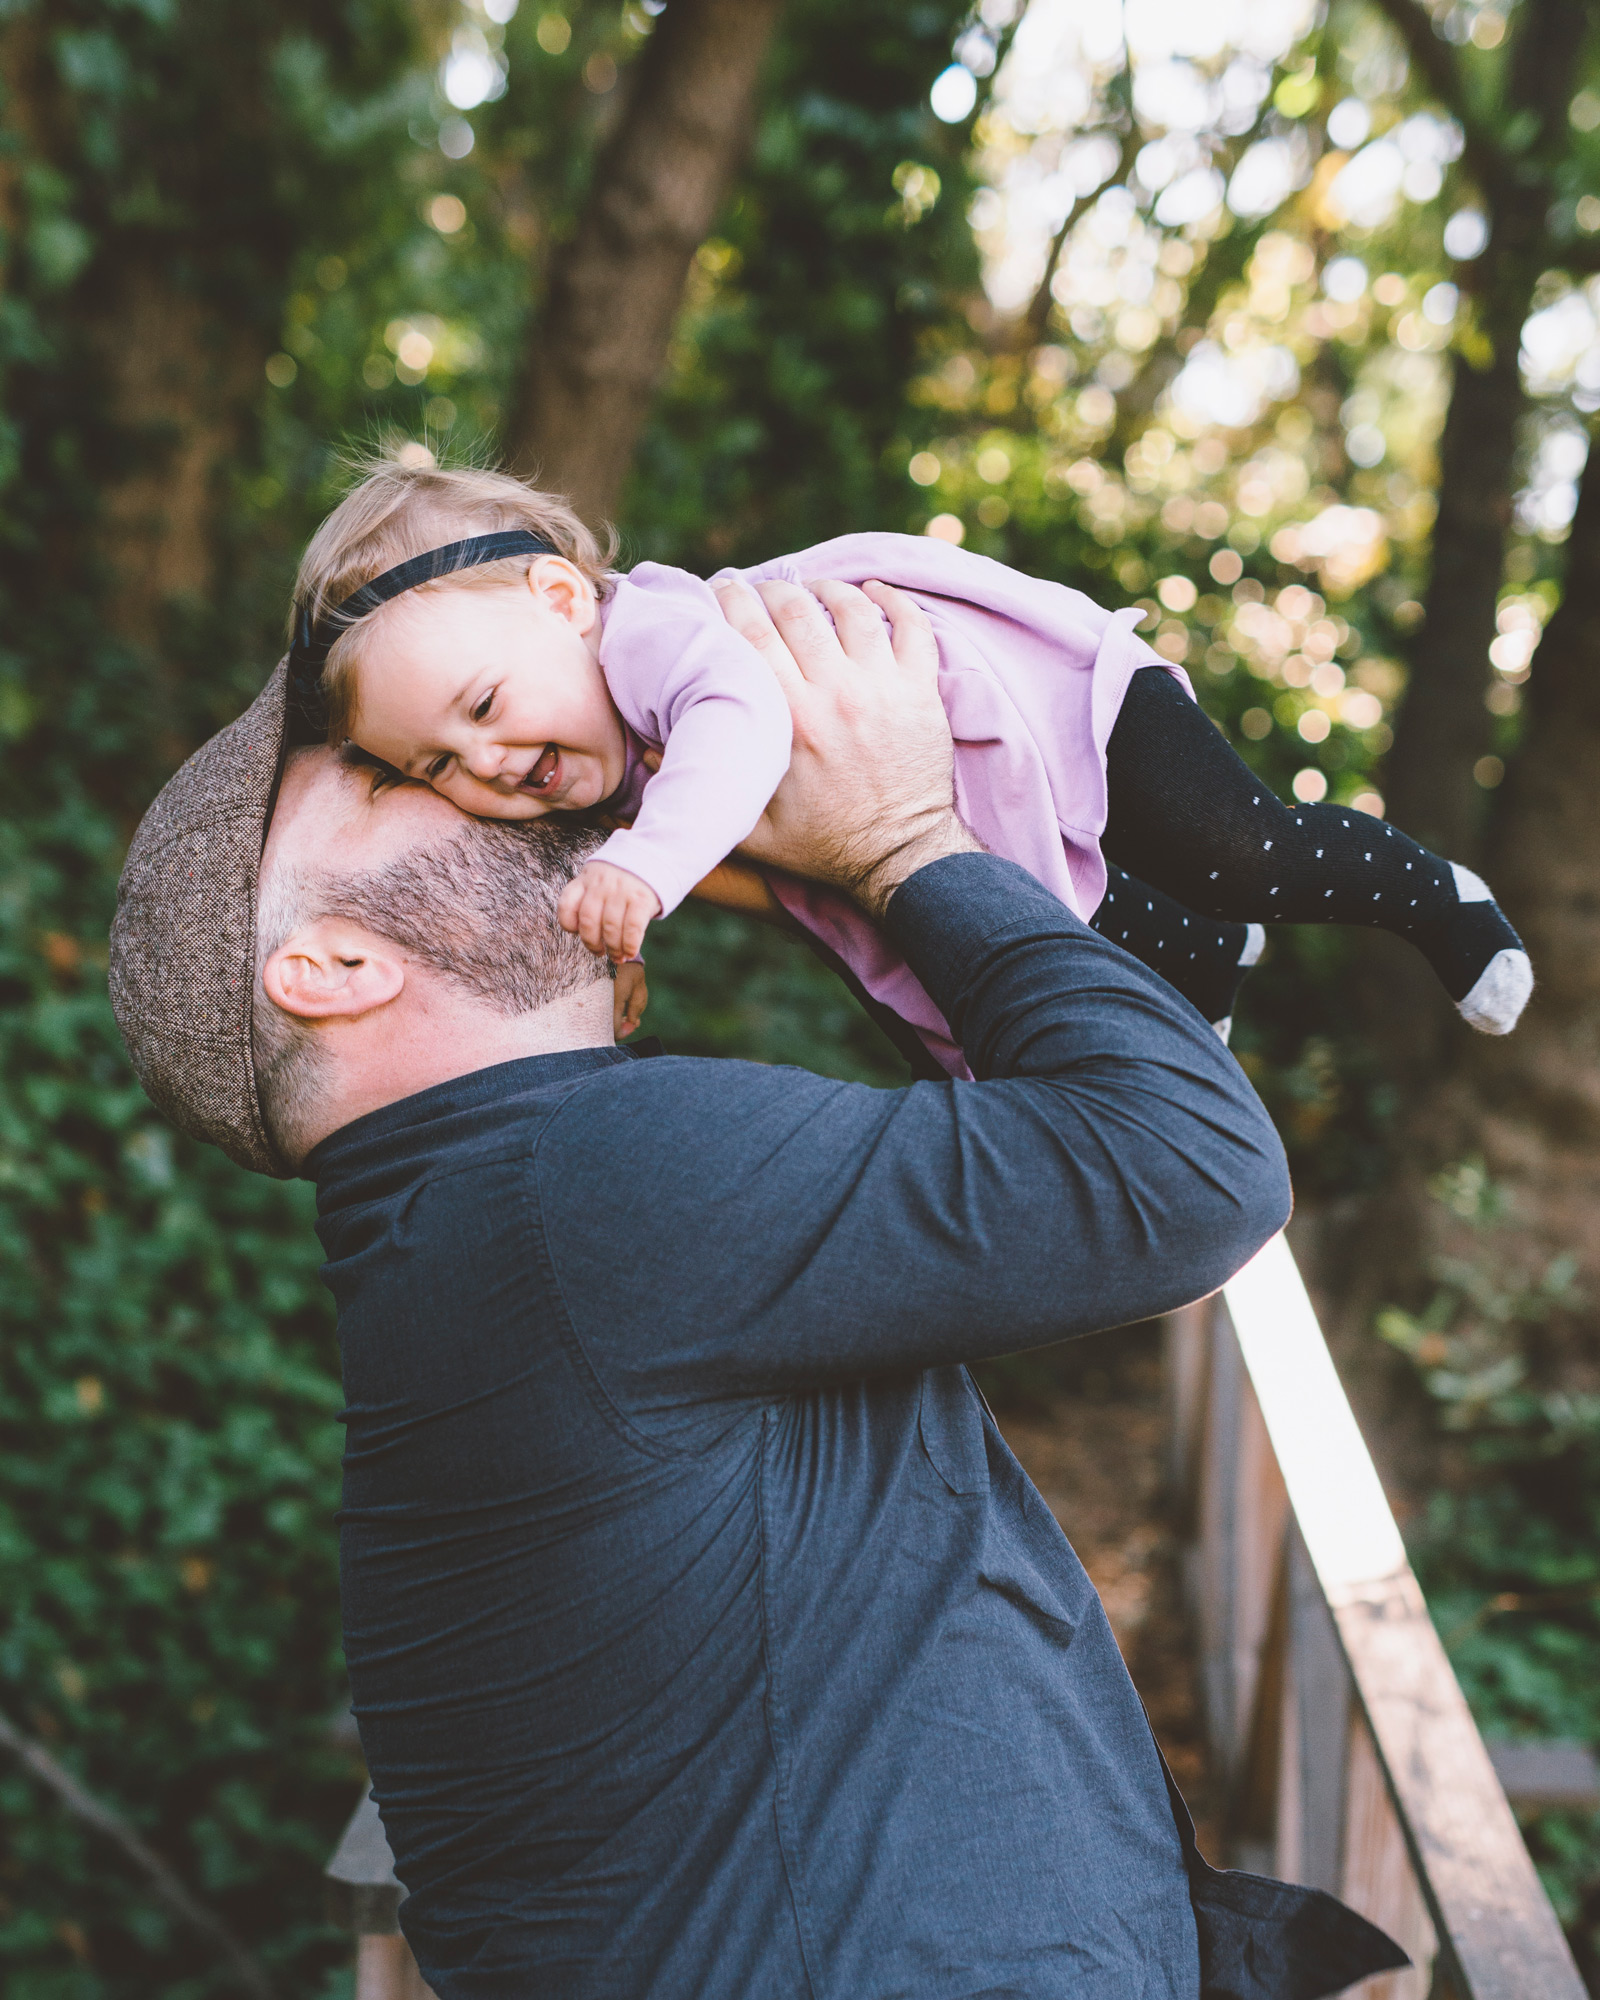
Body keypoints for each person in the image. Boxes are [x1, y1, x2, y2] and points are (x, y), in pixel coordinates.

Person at [109, 578, 1404, 1999]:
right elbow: (1187, 1168)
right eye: (382, 779)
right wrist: (907, 841)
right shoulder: (583, 1185)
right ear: (333, 966)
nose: (471, 782)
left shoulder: (495, 1215)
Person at [282, 456, 1531, 1076]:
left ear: (562, 597)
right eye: (437, 764)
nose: (488, 760)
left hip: (1055, 706)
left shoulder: (651, 633)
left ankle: (1437, 896)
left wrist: (648, 865)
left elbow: (740, 726)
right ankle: (1201, 956)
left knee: (1237, 847)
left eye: (484, 705)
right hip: (968, 794)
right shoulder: (589, 749)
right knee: (1017, 941)